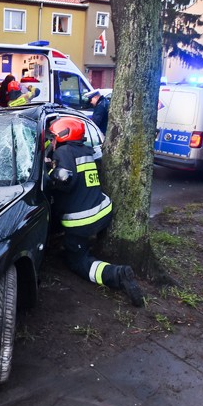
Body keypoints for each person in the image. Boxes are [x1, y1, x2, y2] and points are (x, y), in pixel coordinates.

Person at [46, 116, 144, 307]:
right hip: (102, 211)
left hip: (82, 221)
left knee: (77, 261)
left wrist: (49, 171)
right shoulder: (85, 150)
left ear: (64, 135)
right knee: (74, 243)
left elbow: (65, 181)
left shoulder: (64, 152)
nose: (52, 141)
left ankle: (116, 275)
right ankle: (78, 245)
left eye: (53, 137)